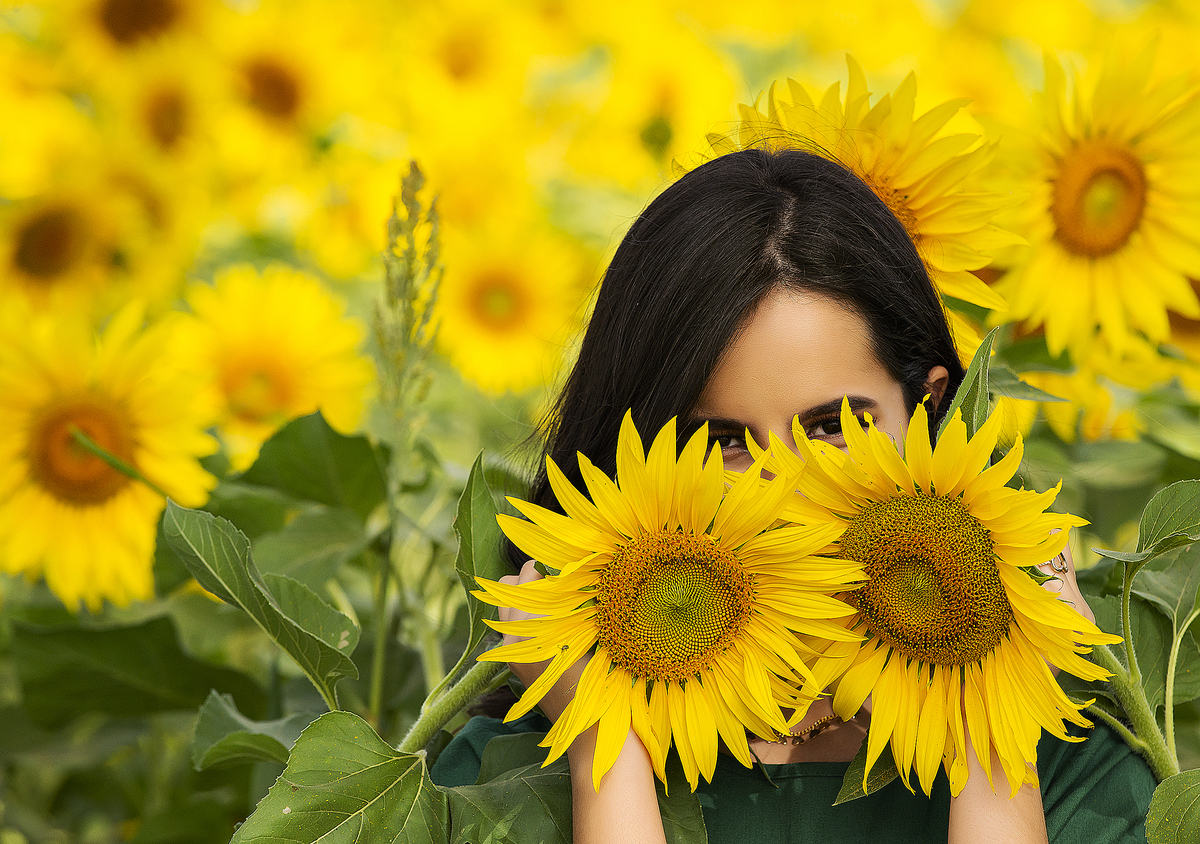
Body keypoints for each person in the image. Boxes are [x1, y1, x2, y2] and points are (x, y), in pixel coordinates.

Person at [429, 148, 1156, 843]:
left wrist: (994, 722)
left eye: (834, 425)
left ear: (930, 410)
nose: (782, 488)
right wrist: (603, 750)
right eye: (720, 440)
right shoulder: (501, 782)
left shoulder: (1076, 769)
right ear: (631, 449)